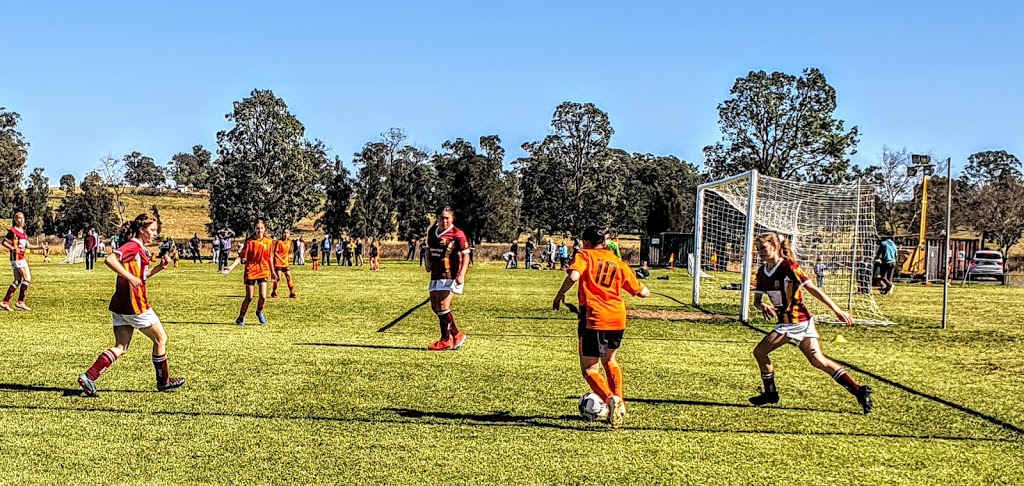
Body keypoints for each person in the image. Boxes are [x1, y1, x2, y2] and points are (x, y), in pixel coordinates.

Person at [748, 232, 873, 414]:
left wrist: (836, 310)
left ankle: (770, 393)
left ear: (774, 247)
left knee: (760, 352)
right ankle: (858, 390)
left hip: (795, 321)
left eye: (764, 248)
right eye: (758, 249)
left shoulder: (789, 267)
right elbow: (757, 301)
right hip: (798, 322)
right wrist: (762, 306)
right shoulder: (762, 272)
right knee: (818, 360)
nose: (760, 252)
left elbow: (813, 289)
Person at [76, 213, 185, 397]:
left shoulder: (139, 249)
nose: (155, 233)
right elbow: (110, 260)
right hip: (135, 304)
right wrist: (130, 277)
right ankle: (164, 381)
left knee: (121, 346)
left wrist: (159, 268)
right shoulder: (133, 246)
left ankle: (89, 377)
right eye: (152, 230)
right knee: (161, 339)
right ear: (142, 230)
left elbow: (141, 276)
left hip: (120, 304)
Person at [553, 226, 650, 429]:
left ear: (586, 243)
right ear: (605, 243)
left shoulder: (585, 255)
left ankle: (609, 399)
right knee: (611, 360)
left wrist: (560, 294)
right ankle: (620, 404)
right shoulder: (618, 262)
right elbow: (643, 292)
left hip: (594, 317)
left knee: (589, 369)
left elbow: (573, 276)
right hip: (617, 318)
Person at [425, 207, 470, 351]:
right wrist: (427, 261)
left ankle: (446, 339)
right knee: (435, 306)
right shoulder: (432, 231)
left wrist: (462, 274)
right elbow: (428, 248)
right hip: (436, 274)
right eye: (441, 218)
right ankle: (455, 334)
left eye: (447, 218)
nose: (444, 221)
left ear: (452, 218)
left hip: (450, 274)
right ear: (437, 218)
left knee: (443, 305)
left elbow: (466, 254)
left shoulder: (457, 234)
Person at [223, 220, 276, 325]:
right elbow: (241, 257)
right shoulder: (250, 242)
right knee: (249, 297)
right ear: (254, 229)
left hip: (263, 270)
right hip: (251, 270)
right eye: (257, 228)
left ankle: (259, 312)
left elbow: (270, 258)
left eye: (261, 228)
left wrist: (273, 272)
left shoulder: (269, 242)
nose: (259, 230)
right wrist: (231, 267)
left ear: (265, 229)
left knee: (263, 296)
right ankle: (241, 318)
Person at [2, 212, 42, 311]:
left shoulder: (23, 232)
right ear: (15, 220)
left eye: (23, 218)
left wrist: (39, 247)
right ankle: (20, 302)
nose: (21, 220)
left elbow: (27, 245)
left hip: (20, 258)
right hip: (17, 258)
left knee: (17, 280)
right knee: (27, 278)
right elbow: (4, 242)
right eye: (19, 218)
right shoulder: (13, 231)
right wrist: (12, 248)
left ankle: (5, 302)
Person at [272, 228, 297, 299]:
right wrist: (281, 259)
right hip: (278, 262)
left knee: (289, 277)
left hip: (285, 263)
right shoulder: (279, 242)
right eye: (284, 233)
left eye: (287, 233)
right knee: (278, 278)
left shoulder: (289, 242)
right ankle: (274, 292)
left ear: (289, 234)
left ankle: (292, 293)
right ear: (282, 234)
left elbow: (291, 248)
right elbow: (275, 252)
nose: (285, 235)